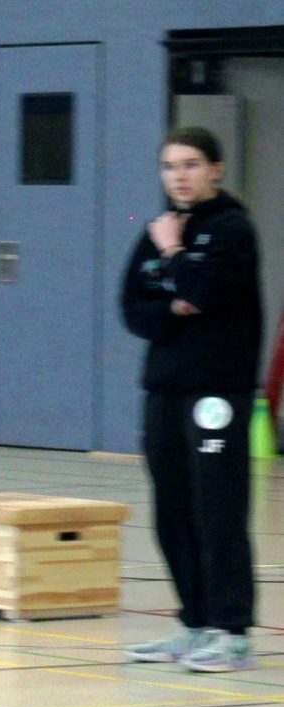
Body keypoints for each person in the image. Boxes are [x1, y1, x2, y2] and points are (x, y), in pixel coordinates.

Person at [121, 127, 262, 673]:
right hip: (165, 388)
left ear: (215, 169)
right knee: (172, 510)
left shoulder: (231, 229)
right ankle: (195, 621)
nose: (178, 176)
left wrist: (175, 255)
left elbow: (204, 292)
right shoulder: (157, 227)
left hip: (216, 392)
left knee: (217, 509)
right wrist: (172, 308)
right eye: (169, 166)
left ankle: (232, 632)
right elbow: (133, 308)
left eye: (190, 164)